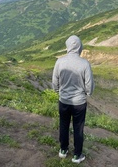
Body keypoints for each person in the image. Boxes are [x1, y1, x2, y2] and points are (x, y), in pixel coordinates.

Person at [52, 35, 95, 164]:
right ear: (79, 47)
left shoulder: (59, 61)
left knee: (64, 124)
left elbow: (55, 82)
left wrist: (58, 91)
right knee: (78, 127)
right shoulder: (85, 64)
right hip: (79, 103)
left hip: (64, 100)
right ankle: (77, 155)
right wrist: (88, 93)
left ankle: (63, 150)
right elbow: (89, 85)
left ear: (68, 46)